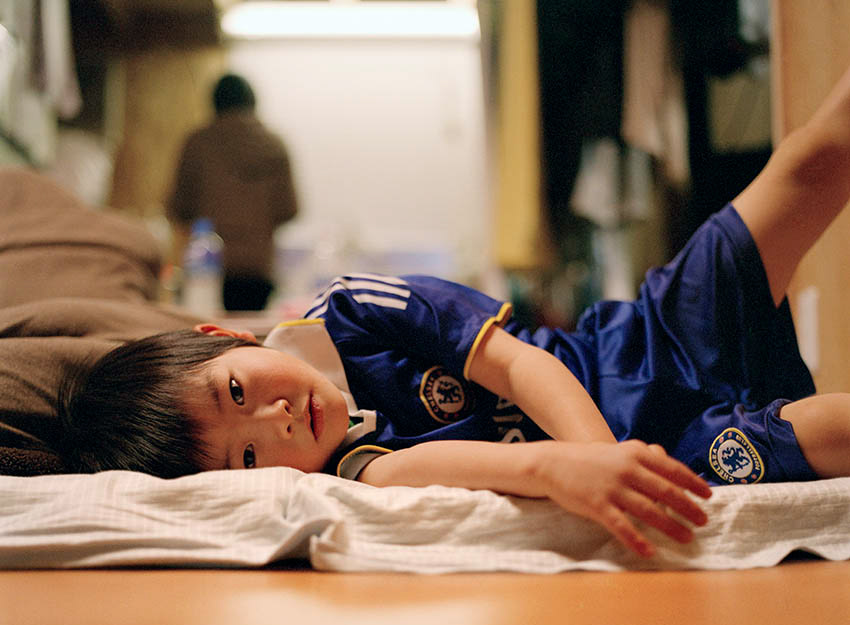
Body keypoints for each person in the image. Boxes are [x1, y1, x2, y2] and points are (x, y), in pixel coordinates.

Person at [59, 63, 850, 558]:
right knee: (823, 432)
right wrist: (587, 469)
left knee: (811, 161)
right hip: (672, 450)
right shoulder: (351, 473)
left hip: (646, 339)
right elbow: (493, 467)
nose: (275, 422)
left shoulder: (352, 311)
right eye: (246, 459)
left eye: (237, 390)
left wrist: (593, 457)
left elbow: (517, 363)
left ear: (224, 335)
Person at [167, 73, 299, 311]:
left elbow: (178, 206)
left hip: (207, 271)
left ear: (214, 104)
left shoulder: (198, 143)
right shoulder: (274, 144)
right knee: (253, 330)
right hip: (258, 269)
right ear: (252, 102)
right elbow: (290, 209)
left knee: (209, 328)